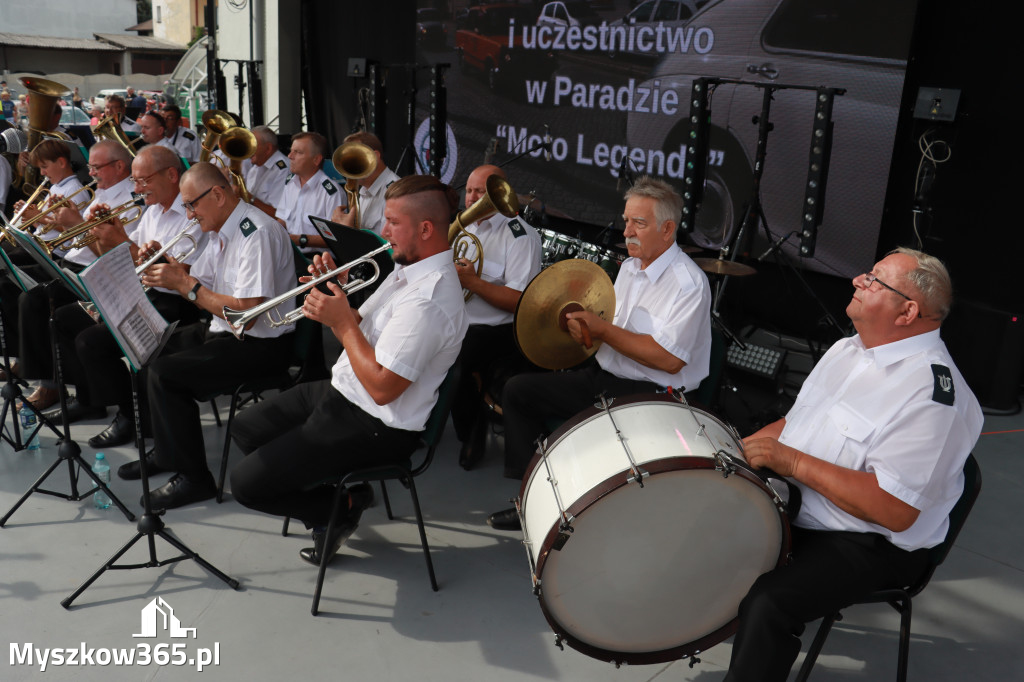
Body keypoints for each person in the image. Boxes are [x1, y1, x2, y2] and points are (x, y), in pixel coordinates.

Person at [723, 248, 983, 682]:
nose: (857, 281)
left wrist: (790, 461)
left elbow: (893, 511)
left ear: (907, 312)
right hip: (805, 505)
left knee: (769, 603)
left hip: (869, 541)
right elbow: (793, 422)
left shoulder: (935, 395)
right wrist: (730, 451)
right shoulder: (849, 349)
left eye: (875, 280)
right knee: (701, 522)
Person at [229, 174, 468, 565]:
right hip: (344, 391)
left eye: (392, 222)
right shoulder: (409, 268)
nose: (383, 230)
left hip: (375, 422)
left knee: (245, 485)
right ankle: (338, 498)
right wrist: (335, 294)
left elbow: (382, 388)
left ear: (426, 229)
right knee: (245, 428)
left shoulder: (429, 299)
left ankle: (339, 507)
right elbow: (364, 325)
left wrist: (340, 323)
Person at [487, 175, 713, 530]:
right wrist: (582, 331)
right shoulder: (628, 269)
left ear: (667, 229)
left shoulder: (689, 284)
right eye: (626, 221)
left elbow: (668, 360)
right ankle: (532, 502)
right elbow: (610, 334)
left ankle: (571, 507)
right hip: (605, 378)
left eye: (639, 223)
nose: (627, 232)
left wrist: (603, 329)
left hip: (653, 396)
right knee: (518, 391)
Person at [137, 162, 297, 510]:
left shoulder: (256, 232)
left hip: (261, 345)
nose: (189, 214)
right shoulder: (222, 230)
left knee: (166, 376)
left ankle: (194, 479)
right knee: (148, 346)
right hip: (223, 331)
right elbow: (200, 278)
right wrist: (169, 267)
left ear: (219, 195)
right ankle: (167, 452)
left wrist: (184, 284)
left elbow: (247, 314)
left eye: (192, 204)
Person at [42, 145, 211, 441]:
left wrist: (118, 238)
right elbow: (124, 259)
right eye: (134, 180)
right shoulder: (152, 211)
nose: (136, 188)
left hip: (177, 302)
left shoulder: (192, 216)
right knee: (64, 318)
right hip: (143, 291)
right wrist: (99, 232)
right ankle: (90, 400)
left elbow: (174, 276)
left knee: (91, 342)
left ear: (172, 175)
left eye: (142, 180)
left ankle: (132, 416)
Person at [15, 140, 139, 410]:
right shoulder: (102, 193)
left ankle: (60, 388)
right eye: (91, 168)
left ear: (119, 166)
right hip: (75, 264)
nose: (90, 174)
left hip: (98, 274)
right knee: (34, 302)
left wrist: (76, 224)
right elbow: (81, 239)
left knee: (38, 304)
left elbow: (113, 255)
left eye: (96, 168)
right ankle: (53, 383)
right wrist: (56, 220)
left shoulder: (130, 199)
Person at [449, 164, 542, 468]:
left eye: (481, 192)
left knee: (454, 360)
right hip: (458, 318)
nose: (472, 198)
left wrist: (473, 282)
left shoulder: (520, 236)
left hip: (497, 329)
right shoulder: (463, 228)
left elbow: (520, 302)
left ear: (498, 194)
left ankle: (471, 430)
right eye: (470, 190)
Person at [275, 131, 343, 252]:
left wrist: (299, 239)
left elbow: (335, 238)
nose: (290, 156)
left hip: (318, 261)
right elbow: (282, 220)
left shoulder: (331, 193)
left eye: (298, 152)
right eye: (291, 151)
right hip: (291, 254)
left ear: (316, 160)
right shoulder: (290, 184)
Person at [329, 131, 399, 235]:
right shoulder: (364, 190)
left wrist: (346, 231)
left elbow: (390, 244)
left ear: (375, 156)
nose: (350, 167)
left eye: (356, 159)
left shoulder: (395, 191)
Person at [242, 125, 290, 217]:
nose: (248, 150)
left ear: (268, 148)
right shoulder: (255, 168)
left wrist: (247, 196)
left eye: (252, 145)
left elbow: (277, 215)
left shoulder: (283, 169)